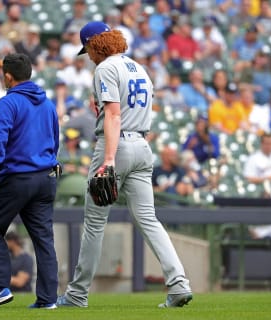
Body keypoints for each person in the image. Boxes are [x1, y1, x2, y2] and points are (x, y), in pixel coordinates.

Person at [57, 21, 192, 309]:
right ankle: (179, 283)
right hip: (143, 146)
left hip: (115, 147)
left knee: (94, 224)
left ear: (95, 44)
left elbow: (114, 115)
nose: (88, 55)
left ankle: (77, 294)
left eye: (88, 49)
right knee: (149, 219)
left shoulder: (105, 68)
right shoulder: (138, 67)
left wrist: (108, 159)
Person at [0, 53, 59, 309]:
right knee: (44, 239)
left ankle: (0, 288)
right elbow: (55, 140)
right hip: (46, 177)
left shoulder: (8, 102)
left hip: (18, 177)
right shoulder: (48, 104)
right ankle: (47, 300)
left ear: (8, 76)